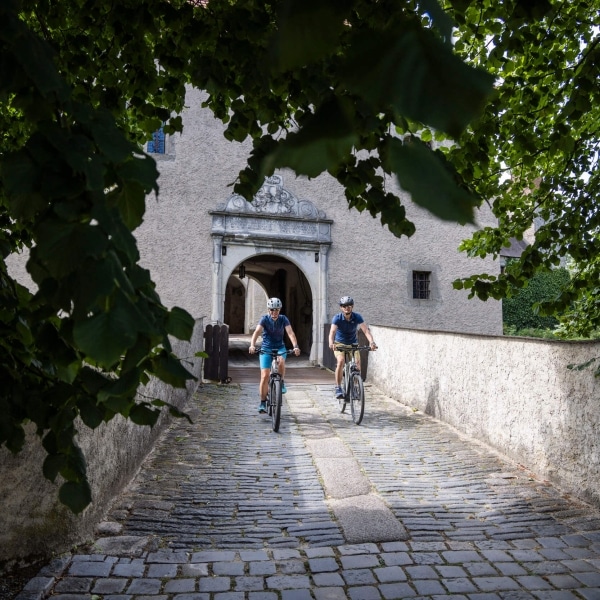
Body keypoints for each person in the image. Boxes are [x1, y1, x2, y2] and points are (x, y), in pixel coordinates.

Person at [249, 297, 301, 413]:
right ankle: (262, 402)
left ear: (280, 310)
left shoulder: (283, 319)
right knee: (264, 375)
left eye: (277, 310)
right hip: (266, 348)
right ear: (268, 310)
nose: (274, 312)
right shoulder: (264, 319)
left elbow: (290, 333)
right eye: (272, 310)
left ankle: (281, 382)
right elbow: (257, 332)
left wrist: (295, 346)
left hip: (280, 347)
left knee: (281, 360)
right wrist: (252, 345)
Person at [328, 296, 377, 399]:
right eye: (344, 306)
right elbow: (332, 332)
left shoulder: (357, 317)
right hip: (339, 344)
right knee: (341, 361)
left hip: (353, 344)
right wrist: (331, 343)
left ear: (352, 306)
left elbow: (366, 331)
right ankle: (338, 387)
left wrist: (371, 342)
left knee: (357, 366)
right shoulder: (337, 318)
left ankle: (354, 387)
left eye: (349, 306)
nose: (347, 308)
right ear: (341, 308)